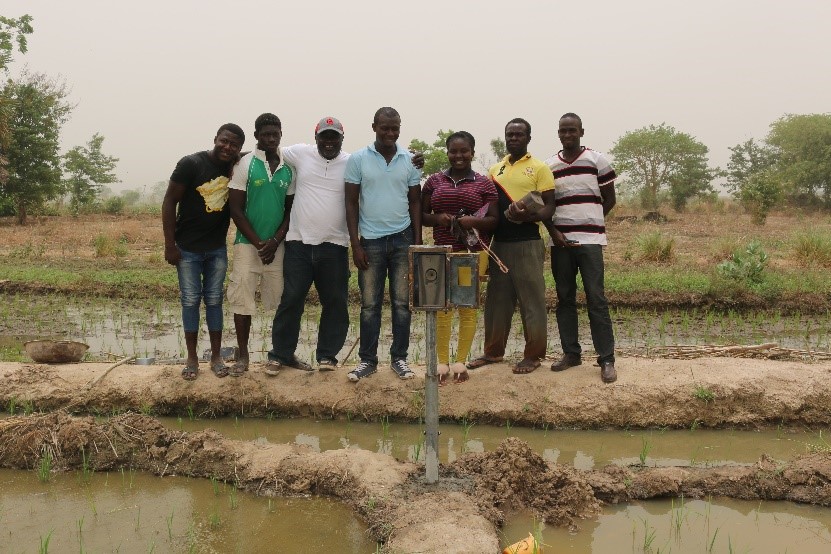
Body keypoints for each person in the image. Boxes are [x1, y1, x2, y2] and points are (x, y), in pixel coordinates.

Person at [467, 118, 555, 374]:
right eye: (510, 134)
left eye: (519, 134)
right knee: (497, 302)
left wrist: (527, 216)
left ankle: (534, 355)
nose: (513, 138)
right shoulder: (495, 170)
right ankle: (493, 353)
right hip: (499, 245)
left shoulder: (540, 168)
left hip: (528, 242)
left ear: (529, 138)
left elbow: (549, 206)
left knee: (532, 301)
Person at [162, 123, 245, 380]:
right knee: (189, 301)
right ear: (216, 139)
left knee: (214, 301)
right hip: (187, 250)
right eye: (224, 141)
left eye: (234, 145)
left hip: (216, 249)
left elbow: (257, 155)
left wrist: (239, 159)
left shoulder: (236, 165)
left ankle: (217, 357)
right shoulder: (190, 164)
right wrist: (169, 244)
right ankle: (192, 358)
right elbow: (169, 202)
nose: (227, 147)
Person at [345, 107, 422, 382]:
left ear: (400, 128)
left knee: (402, 304)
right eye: (385, 128)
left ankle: (399, 359)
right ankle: (367, 361)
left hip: (402, 240)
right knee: (369, 305)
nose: (390, 133)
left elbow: (415, 201)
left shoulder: (410, 160)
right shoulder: (358, 159)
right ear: (374, 126)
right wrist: (356, 244)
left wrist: (417, 242)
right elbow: (351, 203)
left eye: (395, 128)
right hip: (371, 241)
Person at [269, 117, 351, 372]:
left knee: (335, 302)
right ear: (316, 138)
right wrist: (234, 158)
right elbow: (270, 149)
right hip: (299, 244)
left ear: (341, 139)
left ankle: (327, 356)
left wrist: (412, 158)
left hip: (335, 245)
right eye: (324, 137)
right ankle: (280, 355)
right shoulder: (301, 153)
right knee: (291, 299)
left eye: (333, 137)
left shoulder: (351, 162)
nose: (329, 142)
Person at [545, 113, 618, 383]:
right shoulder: (549, 165)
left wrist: (592, 223)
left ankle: (606, 359)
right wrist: (555, 232)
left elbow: (609, 199)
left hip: (591, 242)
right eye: (563, 131)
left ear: (581, 132)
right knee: (565, 298)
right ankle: (571, 353)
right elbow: (546, 206)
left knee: (596, 298)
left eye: (572, 130)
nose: (567, 135)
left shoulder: (597, 160)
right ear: (558, 133)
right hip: (560, 243)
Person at [422, 131, 498, 384]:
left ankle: (461, 362)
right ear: (447, 153)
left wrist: (472, 221)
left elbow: (494, 221)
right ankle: (442, 363)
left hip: (472, 253)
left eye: (464, 151)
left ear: (472, 153)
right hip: (442, 252)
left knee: (467, 306)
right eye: (453, 151)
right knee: (442, 307)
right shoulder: (433, 181)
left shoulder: (484, 183)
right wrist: (438, 218)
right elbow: (421, 216)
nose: (459, 156)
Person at [227, 113, 296, 377]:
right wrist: (258, 243)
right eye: (265, 134)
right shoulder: (245, 164)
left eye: (275, 133)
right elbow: (236, 210)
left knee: (281, 301)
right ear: (256, 136)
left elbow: (291, 210)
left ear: (281, 133)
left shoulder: (289, 166)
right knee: (242, 299)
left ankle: (281, 354)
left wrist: (275, 241)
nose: (270, 138)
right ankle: (243, 355)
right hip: (247, 245)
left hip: (277, 247)